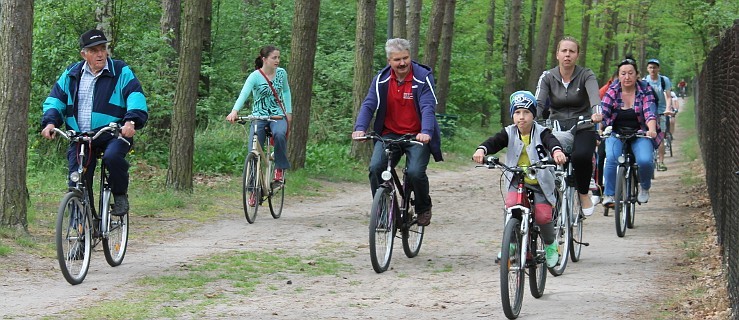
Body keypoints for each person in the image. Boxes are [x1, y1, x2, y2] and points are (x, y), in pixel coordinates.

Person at [40, 29, 148, 216]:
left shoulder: (120, 71)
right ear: (84, 54)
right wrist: (50, 123)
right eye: (94, 50)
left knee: (112, 157)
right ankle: (80, 233)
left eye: (103, 48)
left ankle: (120, 194)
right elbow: (55, 100)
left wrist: (131, 121)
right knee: (77, 181)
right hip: (80, 137)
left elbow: (135, 96)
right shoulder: (72, 73)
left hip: (113, 133)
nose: (100, 54)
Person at [352, 38, 443, 227]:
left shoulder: (422, 77)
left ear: (410, 57)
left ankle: (423, 207)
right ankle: (384, 210)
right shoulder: (381, 79)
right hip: (389, 134)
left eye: (405, 58)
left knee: (416, 173)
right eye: (397, 60)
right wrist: (360, 128)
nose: (402, 63)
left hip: (417, 135)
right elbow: (369, 104)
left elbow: (428, 106)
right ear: (389, 61)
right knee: (376, 168)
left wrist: (426, 131)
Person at [472, 91, 568, 268]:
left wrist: (557, 152)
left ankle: (550, 245)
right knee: (511, 205)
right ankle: (512, 244)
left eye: (526, 112)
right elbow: (494, 141)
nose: (521, 117)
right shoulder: (509, 132)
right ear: (512, 115)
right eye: (517, 113)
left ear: (533, 115)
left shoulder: (542, 132)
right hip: (517, 179)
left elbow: (551, 141)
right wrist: (482, 150)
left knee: (543, 215)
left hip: (539, 181)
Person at [534, 36, 602, 216]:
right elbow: (539, 103)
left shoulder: (586, 75)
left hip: (583, 125)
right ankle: (548, 195)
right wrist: (531, 116)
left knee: (581, 156)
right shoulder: (547, 77)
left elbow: (595, 97)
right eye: (563, 51)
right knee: (543, 158)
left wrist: (596, 112)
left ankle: (583, 193)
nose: (567, 55)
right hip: (555, 125)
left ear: (577, 55)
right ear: (557, 54)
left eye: (572, 51)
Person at [227, 45, 292, 192]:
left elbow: (286, 91)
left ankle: (279, 169)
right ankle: (252, 188)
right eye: (274, 58)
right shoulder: (255, 76)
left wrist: (289, 112)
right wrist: (234, 111)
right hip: (259, 116)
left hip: (277, 115)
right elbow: (244, 94)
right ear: (264, 59)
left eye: (278, 57)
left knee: (280, 134)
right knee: (253, 149)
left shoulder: (281, 73)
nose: (277, 60)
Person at [600, 55, 661, 206]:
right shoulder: (612, 90)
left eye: (630, 73)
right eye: (623, 73)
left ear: (637, 75)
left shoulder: (645, 89)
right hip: (617, 132)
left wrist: (651, 129)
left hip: (640, 132)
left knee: (645, 160)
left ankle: (645, 187)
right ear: (618, 75)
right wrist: (600, 128)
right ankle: (609, 194)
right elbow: (604, 112)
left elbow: (650, 112)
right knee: (612, 157)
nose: (627, 77)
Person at [643, 58, 673, 171]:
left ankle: (661, 162)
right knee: (647, 135)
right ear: (647, 69)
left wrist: (668, 108)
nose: (652, 70)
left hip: (661, 111)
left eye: (655, 67)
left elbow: (668, 96)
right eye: (650, 67)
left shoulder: (664, 80)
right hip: (648, 112)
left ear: (658, 68)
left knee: (660, 137)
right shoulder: (644, 81)